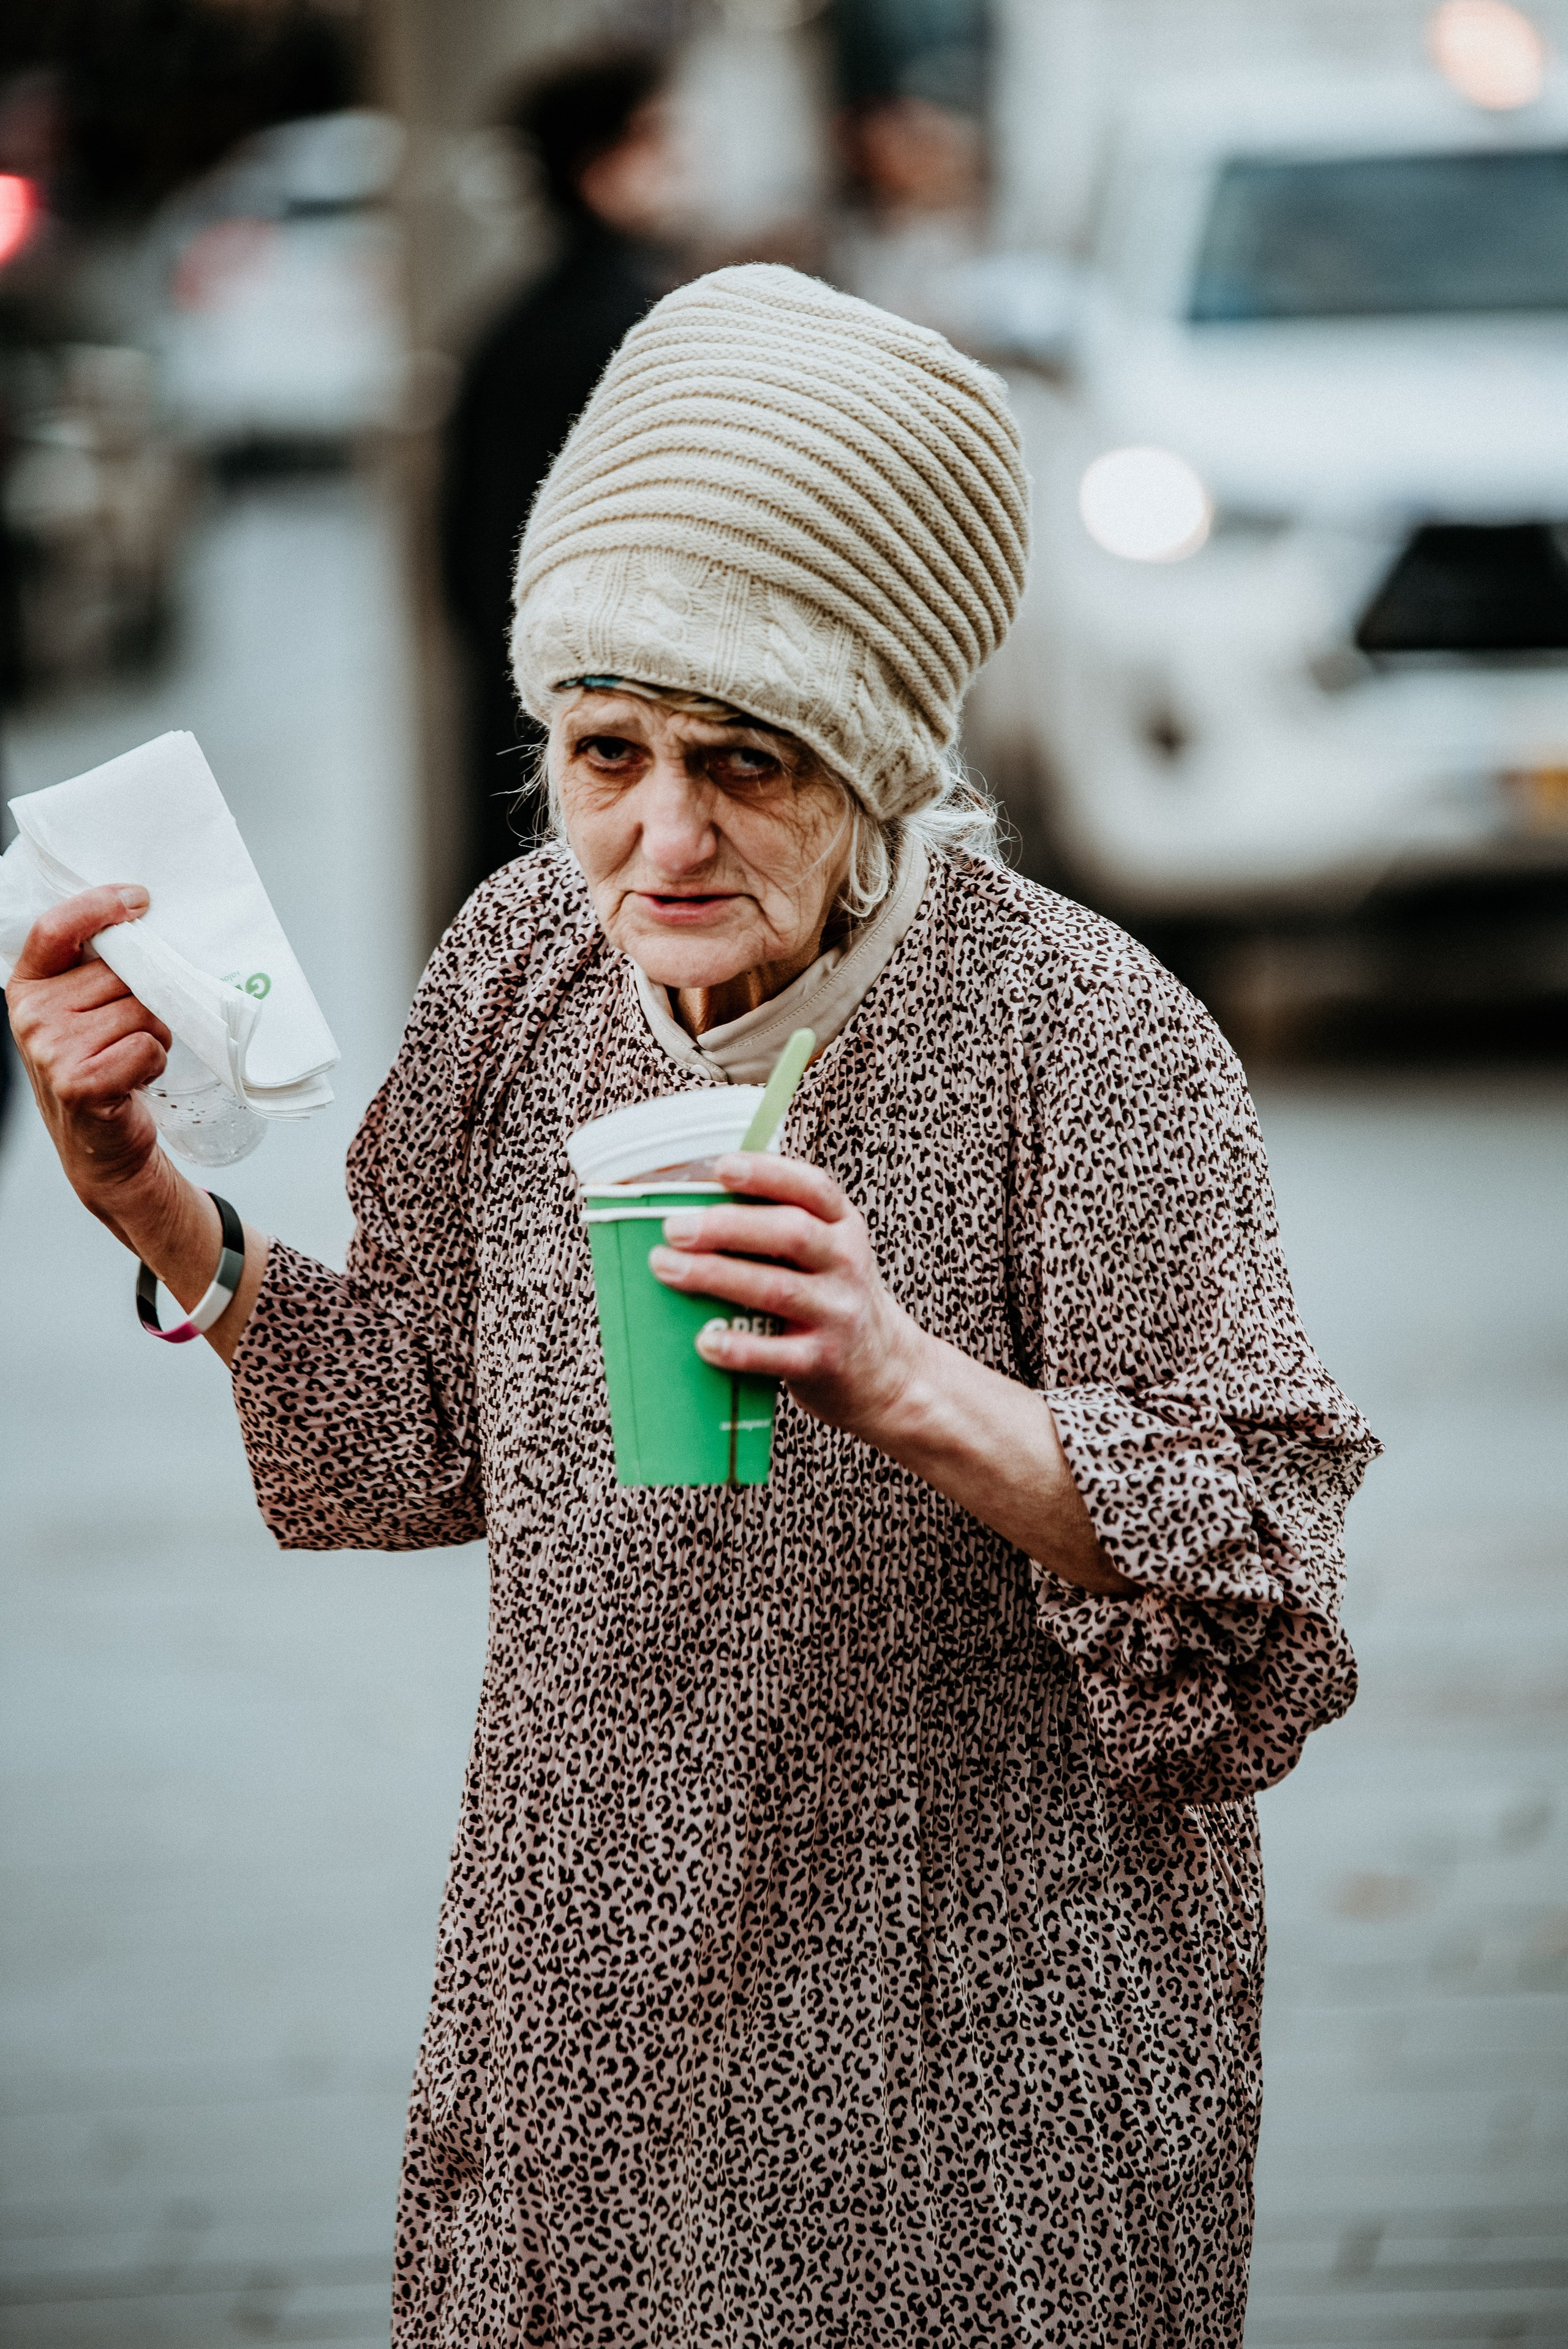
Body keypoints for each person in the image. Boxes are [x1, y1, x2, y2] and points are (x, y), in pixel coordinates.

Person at [8, 265, 1378, 2347]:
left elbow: (1263, 1587)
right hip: (591, 2040)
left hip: (978, 2052)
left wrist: (911, 1382)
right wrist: (150, 1198)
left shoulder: (1090, 1039)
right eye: (603, 748)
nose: (656, 833)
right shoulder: (517, 970)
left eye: (745, 760)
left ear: (885, 763)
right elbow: (406, 1434)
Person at [440, 47, 675, 896]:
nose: (682, 162)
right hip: (622, 751)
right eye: (659, 138)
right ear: (600, 167)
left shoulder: (502, 335)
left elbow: (459, 571)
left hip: (523, 733)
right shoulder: (642, 334)